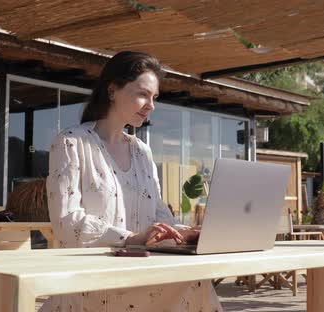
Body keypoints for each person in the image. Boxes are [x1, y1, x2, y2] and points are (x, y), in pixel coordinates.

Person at [40, 51, 222, 312]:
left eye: (154, 97)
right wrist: (132, 238)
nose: (151, 105)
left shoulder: (142, 152)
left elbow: (160, 215)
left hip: (143, 270)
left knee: (197, 281)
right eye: (142, 94)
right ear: (112, 91)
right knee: (194, 283)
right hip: (93, 277)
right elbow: (66, 222)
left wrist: (180, 234)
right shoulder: (71, 142)